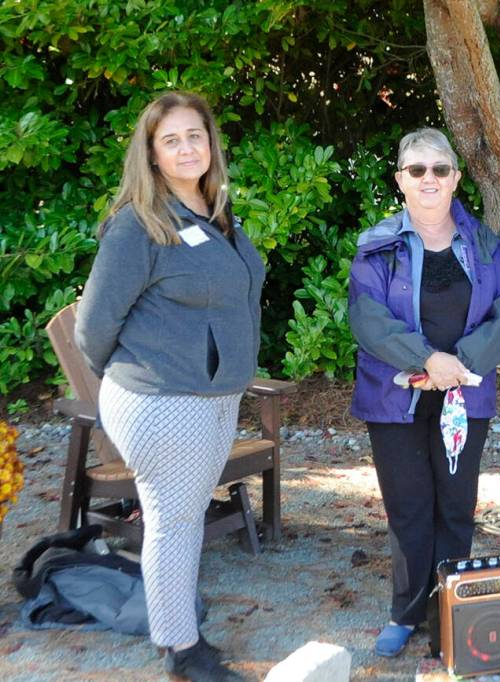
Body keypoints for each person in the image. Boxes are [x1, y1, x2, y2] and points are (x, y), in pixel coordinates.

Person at [75, 92, 264, 681]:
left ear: (211, 145)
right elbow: (92, 327)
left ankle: (175, 625)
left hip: (213, 397)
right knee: (174, 521)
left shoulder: (216, 215)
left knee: (182, 515)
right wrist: (144, 376)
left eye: (195, 136)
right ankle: (182, 651)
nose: (186, 149)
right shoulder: (138, 225)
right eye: (171, 140)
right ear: (151, 154)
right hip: (161, 401)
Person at [348, 128, 500, 658]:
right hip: (395, 395)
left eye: (439, 169)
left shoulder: (486, 245)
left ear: (455, 178)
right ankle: (405, 612)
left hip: (463, 394)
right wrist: (427, 360)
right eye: (417, 169)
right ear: (400, 179)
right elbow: (368, 318)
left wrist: (458, 365)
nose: (429, 179)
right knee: (408, 507)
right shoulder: (377, 245)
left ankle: (449, 609)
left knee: (455, 505)